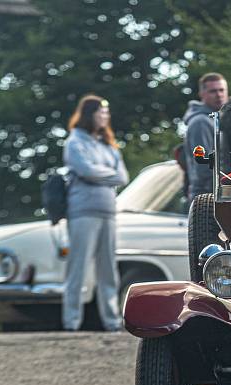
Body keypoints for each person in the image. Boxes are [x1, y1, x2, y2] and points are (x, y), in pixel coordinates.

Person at [62, 95, 129, 332]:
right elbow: (85, 170)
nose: (105, 117)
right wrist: (105, 174)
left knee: (108, 270)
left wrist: (99, 173)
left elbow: (122, 176)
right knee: (78, 268)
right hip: (82, 211)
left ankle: (111, 321)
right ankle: (72, 322)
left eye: (106, 113)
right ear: (90, 114)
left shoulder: (107, 145)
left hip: (108, 212)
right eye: (101, 112)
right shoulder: (74, 142)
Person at [183, 72, 228, 202]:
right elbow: (204, 164)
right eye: (213, 91)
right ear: (202, 94)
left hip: (219, 192)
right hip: (206, 195)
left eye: (222, 90)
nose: (219, 95)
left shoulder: (221, 119)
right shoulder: (200, 122)